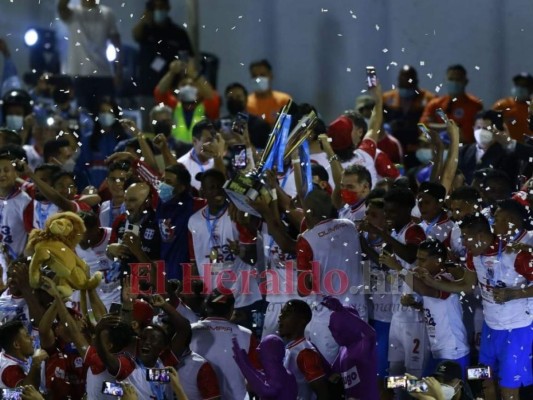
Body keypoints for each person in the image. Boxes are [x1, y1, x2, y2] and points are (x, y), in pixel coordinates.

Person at [297, 189, 366, 363]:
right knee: (358, 370)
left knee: (329, 375)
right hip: (358, 312)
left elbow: (303, 290)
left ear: (308, 211)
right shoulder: (349, 226)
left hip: (328, 320)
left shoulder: (307, 239)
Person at [408, 240, 470, 374]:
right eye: (418, 259)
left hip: (454, 352)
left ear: (438, 261)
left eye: (422, 260)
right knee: (425, 391)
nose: (418, 264)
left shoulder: (446, 278)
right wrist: (415, 303)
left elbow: (425, 290)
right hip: (437, 350)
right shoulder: (430, 278)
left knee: (452, 393)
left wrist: (398, 268)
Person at [190, 291, 260, 399]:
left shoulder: (189, 331)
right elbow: (256, 377)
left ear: (206, 307)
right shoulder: (247, 334)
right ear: (232, 309)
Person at [58, 0, 122, 114]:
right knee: (83, 117)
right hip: (79, 74)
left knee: (107, 116)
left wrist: (118, 69)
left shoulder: (107, 13)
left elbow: (116, 42)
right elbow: (61, 7)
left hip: (103, 73)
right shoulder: (73, 12)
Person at [132, 0, 194, 116]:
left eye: (161, 7)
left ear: (167, 7)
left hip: (170, 89)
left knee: (170, 123)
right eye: (156, 7)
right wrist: (145, 18)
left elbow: (189, 59)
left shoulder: (178, 33)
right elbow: (136, 35)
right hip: (147, 88)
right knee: (148, 127)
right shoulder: (146, 30)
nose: (159, 10)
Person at [458, 110, 533, 187]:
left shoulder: (507, 154)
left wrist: (508, 142)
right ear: (473, 128)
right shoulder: (463, 151)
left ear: (497, 130)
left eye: (486, 128)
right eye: (478, 127)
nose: (480, 132)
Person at [323, 296, 379, 400]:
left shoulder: (363, 346)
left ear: (352, 327)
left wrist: (342, 311)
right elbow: (333, 375)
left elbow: (371, 333)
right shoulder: (343, 349)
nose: (335, 334)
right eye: (332, 330)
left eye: (339, 330)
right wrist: (311, 349)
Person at [154, 60, 220, 143]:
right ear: (177, 88)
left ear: (200, 90)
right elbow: (159, 92)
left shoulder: (206, 107)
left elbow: (212, 97)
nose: (188, 88)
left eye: (192, 85)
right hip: (176, 152)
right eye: (184, 84)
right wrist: (171, 72)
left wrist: (194, 74)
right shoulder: (173, 105)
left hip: (201, 152)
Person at [383, 65, 435, 167]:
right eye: (403, 79)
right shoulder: (387, 99)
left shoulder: (428, 99)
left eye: (409, 78)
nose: (406, 82)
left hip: (417, 147)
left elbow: (431, 123)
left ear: (416, 80)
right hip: (393, 146)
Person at [278, 300, 330, 399]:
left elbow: (323, 394)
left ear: (302, 320)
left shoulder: (305, 352)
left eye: (287, 313)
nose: (280, 316)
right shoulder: (290, 348)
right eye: (282, 312)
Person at [420, 65, 482, 144]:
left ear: (465, 82)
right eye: (451, 79)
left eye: (458, 79)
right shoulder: (434, 104)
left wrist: (435, 127)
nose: (454, 83)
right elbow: (423, 128)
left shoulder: (474, 106)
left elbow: (467, 136)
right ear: (445, 80)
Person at [75, 211, 118, 310]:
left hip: (114, 294)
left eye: (83, 234)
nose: (79, 238)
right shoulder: (74, 243)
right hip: (92, 294)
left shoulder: (113, 237)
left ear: (95, 229)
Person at [233, 335, 298, 400]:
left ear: (272, 353)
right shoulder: (283, 374)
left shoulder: (280, 376)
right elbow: (261, 379)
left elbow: (266, 390)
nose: (257, 349)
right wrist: (246, 363)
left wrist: (244, 366)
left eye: (262, 347)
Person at [220, 82, 271, 149]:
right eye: (231, 97)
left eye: (238, 96)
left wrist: (245, 142)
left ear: (246, 99)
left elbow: (264, 154)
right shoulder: (218, 124)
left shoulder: (260, 125)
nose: (234, 100)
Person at [0, 320, 48, 389]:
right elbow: (27, 392)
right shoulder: (9, 370)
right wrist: (36, 363)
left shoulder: (6, 356)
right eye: (27, 335)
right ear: (16, 345)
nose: (32, 338)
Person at [247, 59, 291, 126]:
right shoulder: (247, 103)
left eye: (262, 75)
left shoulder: (284, 100)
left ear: (271, 75)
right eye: (254, 76)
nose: (258, 79)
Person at [493, 72, 533, 142]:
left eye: (524, 86)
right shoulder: (502, 105)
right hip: (506, 149)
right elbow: (491, 127)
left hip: (529, 149)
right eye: (518, 85)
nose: (520, 88)